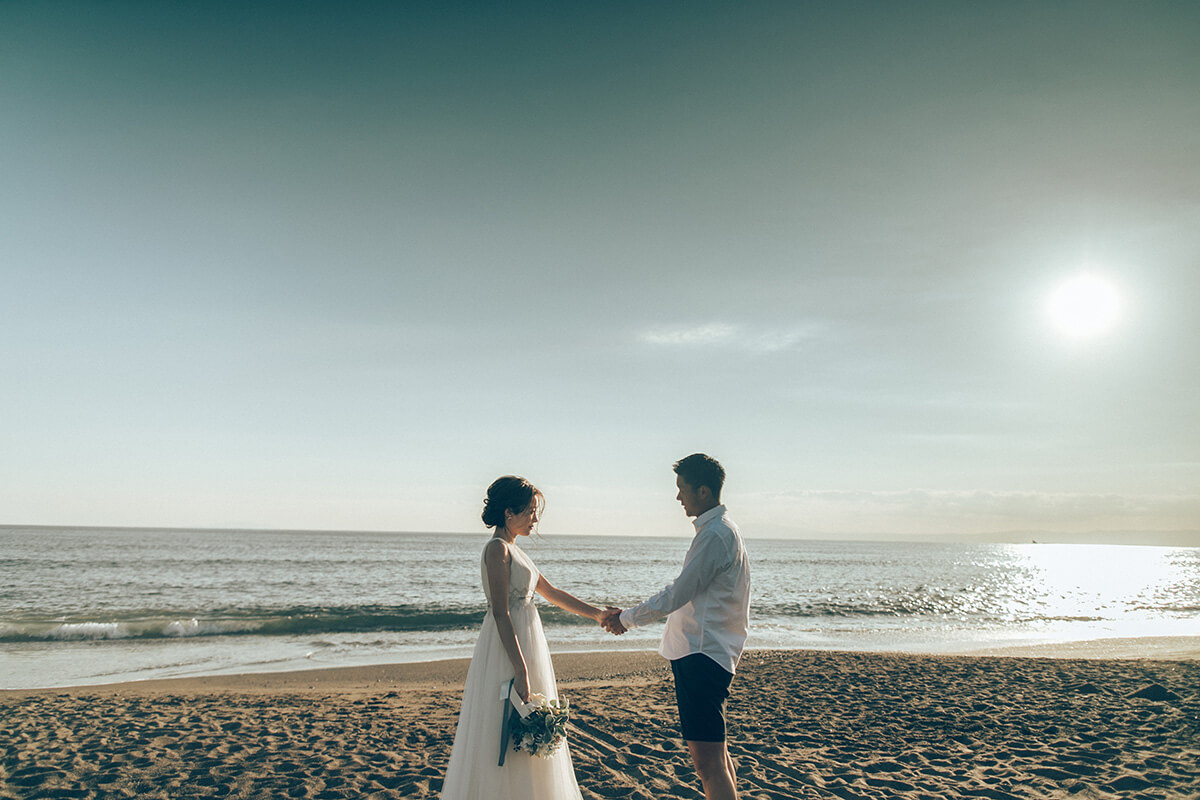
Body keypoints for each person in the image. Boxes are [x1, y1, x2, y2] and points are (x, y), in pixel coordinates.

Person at [441, 476, 605, 800]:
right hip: (507, 651)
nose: (535, 518)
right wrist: (521, 669)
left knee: (527, 731)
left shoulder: (517, 551)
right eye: (530, 511)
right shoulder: (497, 550)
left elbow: (553, 593)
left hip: (529, 646)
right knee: (501, 727)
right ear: (508, 513)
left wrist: (599, 614)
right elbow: (501, 612)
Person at [601, 454, 750, 800]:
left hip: (701, 654)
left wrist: (626, 619)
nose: (678, 497)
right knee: (719, 756)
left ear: (702, 490)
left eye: (682, 489)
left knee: (708, 764)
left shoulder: (714, 534)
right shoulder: (723, 530)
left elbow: (678, 593)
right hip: (710, 653)